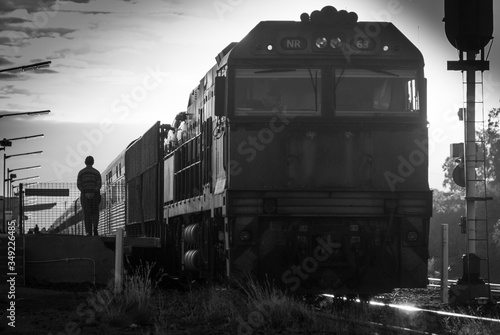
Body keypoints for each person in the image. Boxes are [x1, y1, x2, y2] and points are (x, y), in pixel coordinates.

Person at [77, 156, 102, 236]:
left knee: (87, 214)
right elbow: (99, 184)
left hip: (85, 195)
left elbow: (79, 184)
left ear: (85, 162)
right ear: (93, 162)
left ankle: (89, 231)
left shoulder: (81, 173)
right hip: (95, 195)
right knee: (95, 212)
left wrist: (85, 192)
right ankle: (95, 228)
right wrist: (94, 192)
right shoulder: (97, 173)